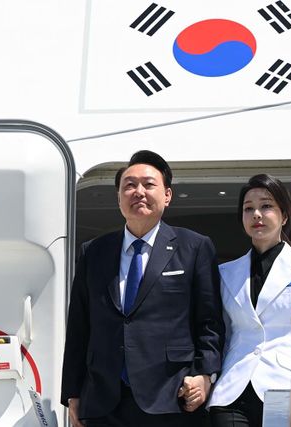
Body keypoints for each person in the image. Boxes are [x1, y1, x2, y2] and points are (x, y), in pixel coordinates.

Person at [61, 150, 225, 427]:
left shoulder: (194, 247)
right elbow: (79, 327)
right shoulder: (94, 252)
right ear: (119, 198)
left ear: (167, 195)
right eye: (129, 185)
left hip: (171, 397)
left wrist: (205, 375)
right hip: (103, 400)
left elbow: (209, 322)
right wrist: (72, 392)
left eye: (148, 184)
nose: (138, 192)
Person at [206, 174, 291, 427]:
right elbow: (220, 331)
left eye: (266, 206)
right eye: (248, 209)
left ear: (284, 216)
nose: (256, 214)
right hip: (232, 389)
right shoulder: (225, 273)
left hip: (284, 385)